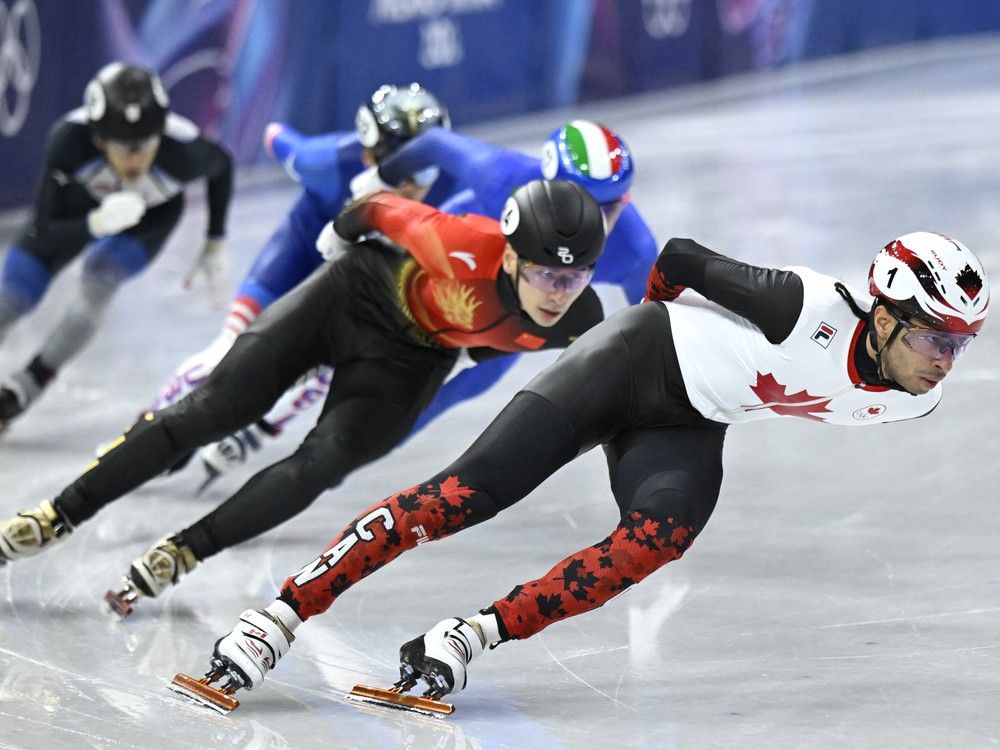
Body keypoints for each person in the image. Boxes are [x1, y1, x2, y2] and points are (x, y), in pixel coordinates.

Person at [172, 230, 987, 708]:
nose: (946, 361)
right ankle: (273, 621)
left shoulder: (914, 398)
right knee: (460, 497)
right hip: (630, 360)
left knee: (657, 538)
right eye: (936, 338)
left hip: (692, 419)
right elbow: (679, 258)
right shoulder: (800, 306)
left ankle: (465, 637)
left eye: (961, 344)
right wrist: (647, 321)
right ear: (883, 316)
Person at [0, 180, 609, 623]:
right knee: (212, 411)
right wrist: (338, 238)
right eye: (546, 276)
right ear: (508, 255)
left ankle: (185, 550)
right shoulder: (454, 242)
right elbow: (374, 208)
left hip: (410, 359)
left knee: (323, 463)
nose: (559, 293)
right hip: (353, 294)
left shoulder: (576, 319)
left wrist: (472, 356)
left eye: (575, 277)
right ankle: (54, 517)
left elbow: (529, 344)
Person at [194, 119, 656, 484]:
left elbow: (652, 331)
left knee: (438, 392)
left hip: (512, 310)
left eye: (609, 207)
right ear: (542, 182)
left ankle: (337, 455)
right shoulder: (500, 175)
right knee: (366, 327)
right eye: (576, 199)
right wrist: (381, 177)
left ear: (628, 199)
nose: (589, 221)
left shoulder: (636, 252)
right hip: (450, 255)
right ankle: (280, 403)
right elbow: (434, 143)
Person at [0, 62, 233, 430]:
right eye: (123, 147)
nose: (135, 159)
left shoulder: (184, 151)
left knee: (99, 280)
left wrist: (215, 240)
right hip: (80, 207)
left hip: (150, 217)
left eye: (145, 145)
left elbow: (223, 167)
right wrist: (94, 224)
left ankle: (25, 387)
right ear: (97, 139)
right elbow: (43, 230)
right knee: (10, 298)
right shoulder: (68, 141)